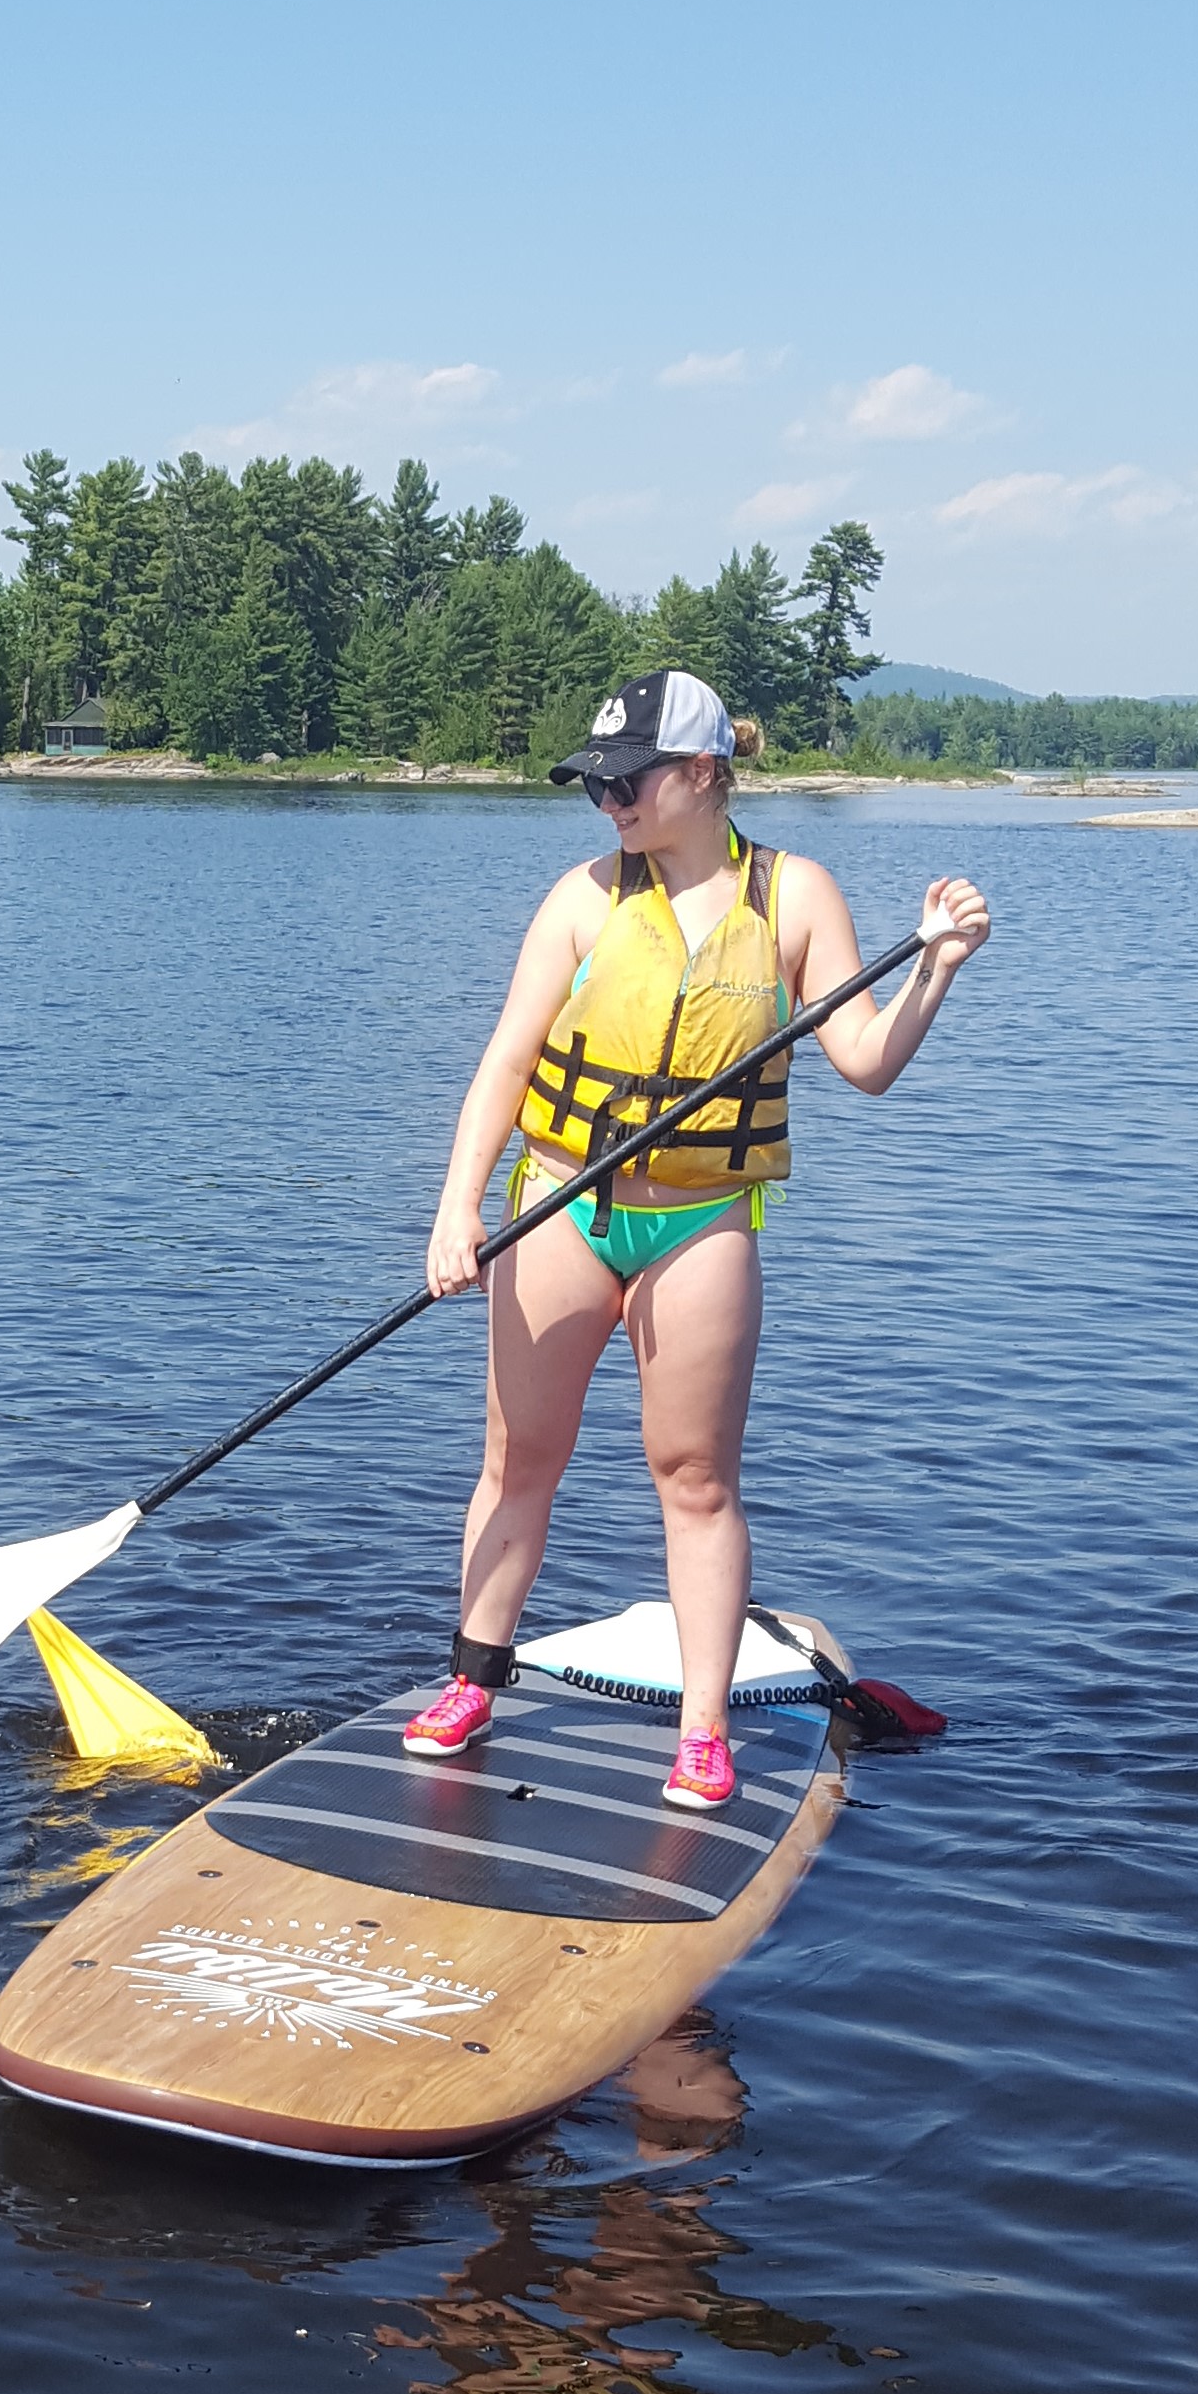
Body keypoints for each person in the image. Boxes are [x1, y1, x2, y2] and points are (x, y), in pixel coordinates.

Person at [408, 666, 990, 1807]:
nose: (610, 801)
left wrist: (935, 971)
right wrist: (455, 1204)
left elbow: (864, 1063)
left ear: (703, 772)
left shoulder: (798, 896)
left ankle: (704, 1729)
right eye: (597, 783)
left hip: (700, 1222)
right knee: (519, 1460)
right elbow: (506, 1060)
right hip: (561, 1202)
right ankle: (473, 1677)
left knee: (696, 1480)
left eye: (629, 779)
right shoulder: (581, 896)